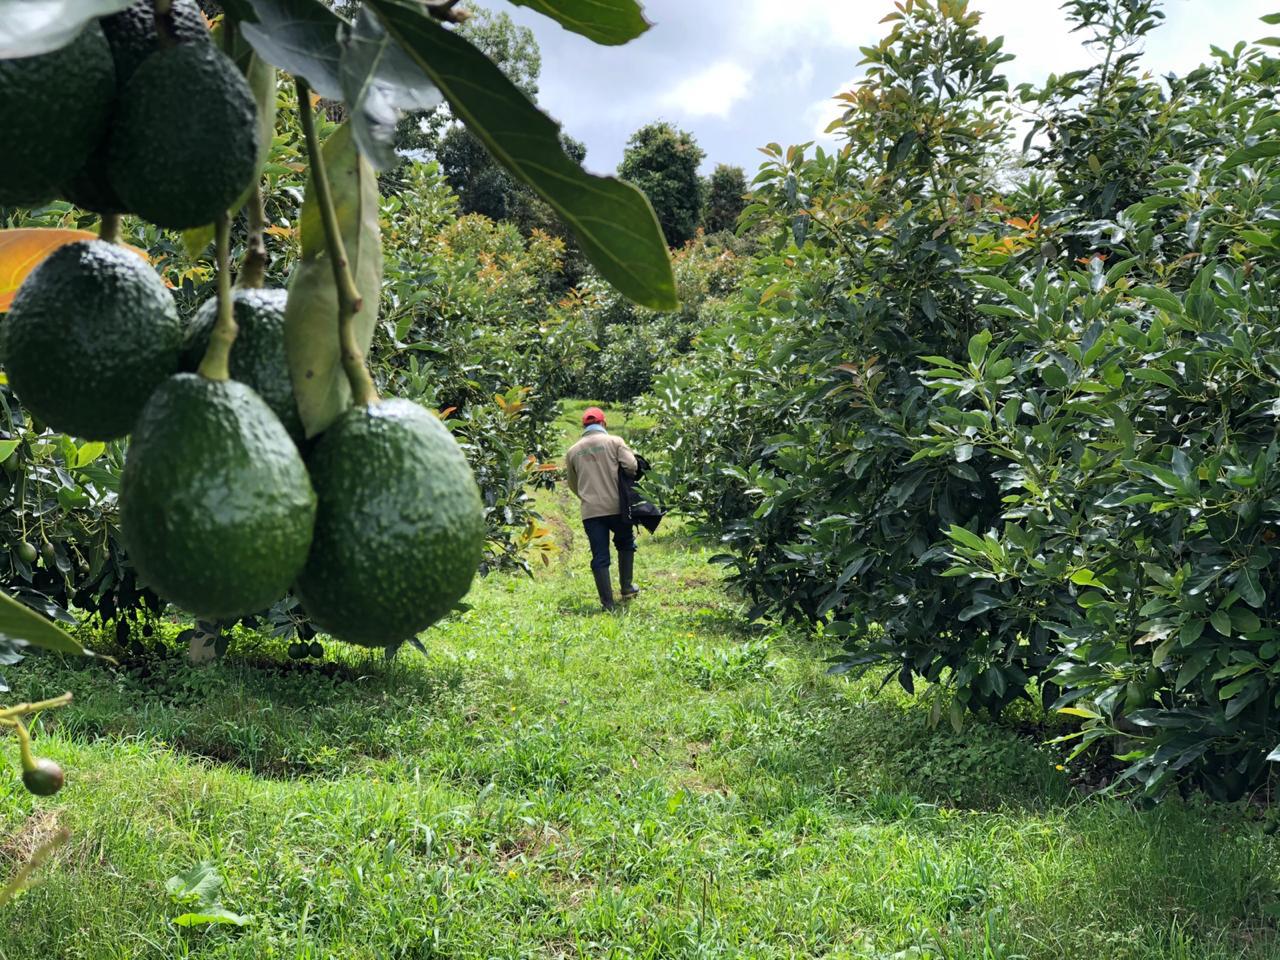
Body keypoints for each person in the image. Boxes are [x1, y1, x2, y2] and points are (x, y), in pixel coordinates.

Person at [564, 406, 639, 611]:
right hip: (618, 507)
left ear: (584, 426)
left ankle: (607, 603)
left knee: (600, 555)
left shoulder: (573, 451)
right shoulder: (615, 442)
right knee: (625, 543)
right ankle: (626, 587)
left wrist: (588, 498)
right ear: (603, 423)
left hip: (591, 512)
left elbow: (572, 483)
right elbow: (631, 466)